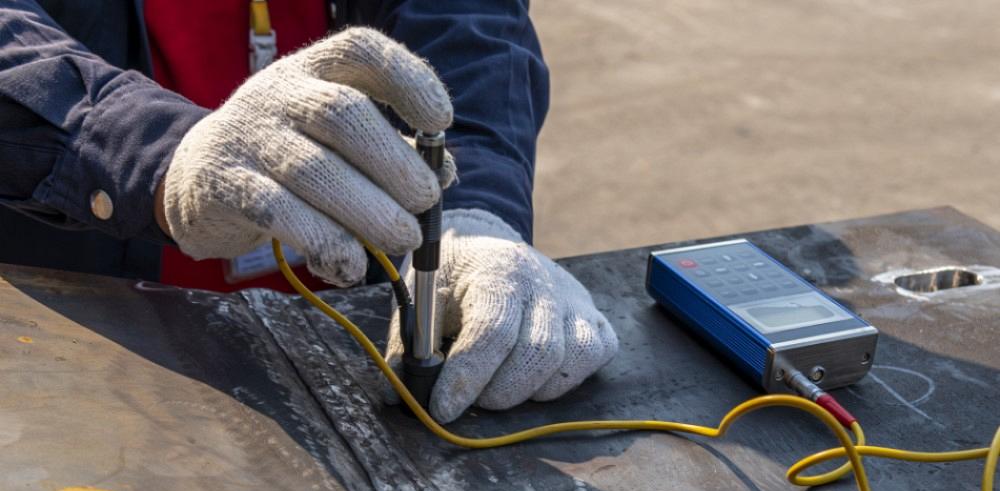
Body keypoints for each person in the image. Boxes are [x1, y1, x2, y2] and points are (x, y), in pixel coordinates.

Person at [0, 0, 618, 423]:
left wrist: (474, 207)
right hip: (85, 316)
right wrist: (154, 155)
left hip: (355, 320)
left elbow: (465, 16)